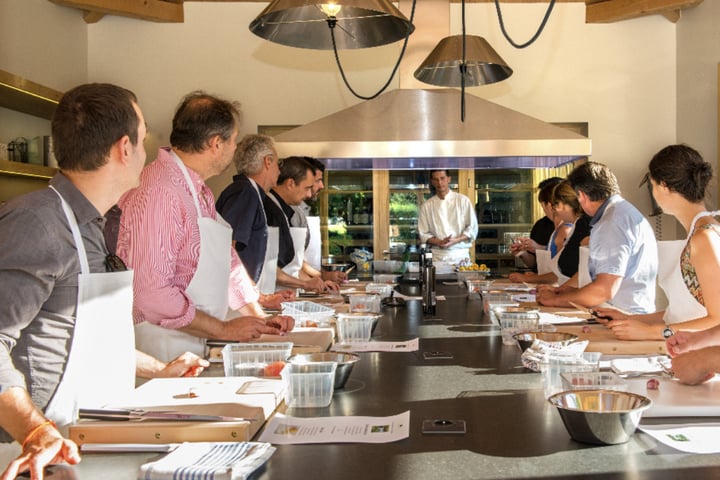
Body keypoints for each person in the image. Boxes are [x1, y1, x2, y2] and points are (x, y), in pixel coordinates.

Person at [0, 84, 208, 479]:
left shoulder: (94, 225)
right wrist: (35, 432)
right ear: (124, 148)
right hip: (37, 457)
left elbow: (82, 338)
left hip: (89, 442)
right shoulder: (39, 224)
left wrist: (158, 370)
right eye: (145, 140)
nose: (146, 154)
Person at [118, 92, 294, 363]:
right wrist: (224, 329)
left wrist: (257, 318)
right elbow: (152, 295)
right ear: (216, 143)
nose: (235, 149)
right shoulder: (160, 192)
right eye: (233, 140)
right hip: (160, 347)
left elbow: (228, 261)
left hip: (192, 339)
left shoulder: (198, 190)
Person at [594, 145, 720, 341]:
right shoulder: (700, 233)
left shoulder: (704, 238)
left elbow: (716, 321)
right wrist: (634, 320)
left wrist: (651, 332)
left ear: (664, 186)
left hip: (700, 361)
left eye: (651, 185)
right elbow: (682, 313)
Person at [536, 161, 657, 313]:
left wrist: (554, 300)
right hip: (625, 310)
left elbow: (604, 289)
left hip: (622, 313)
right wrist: (565, 291)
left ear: (581, 195)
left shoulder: (611, 222)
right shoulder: (622, 212)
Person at [216, 134, 282, 292]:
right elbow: (229, 246)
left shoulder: (252, 192)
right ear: (268, 162)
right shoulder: (245, 192)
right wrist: (249, 294)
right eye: (278, 164)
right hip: (235, 297)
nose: (279, 171)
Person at [264, 157, 339, 292]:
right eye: (307, 188)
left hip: (286, 294)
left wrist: (311, 282)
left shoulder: (284, 211)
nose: (309, 194)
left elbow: (293, 265)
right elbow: (267, 267)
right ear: (291, 183)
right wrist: (305, 284)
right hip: (272, 294)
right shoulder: (269, 210)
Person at [289, 157, 347, 284]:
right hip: (295, 285)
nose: (322, 185)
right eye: (318, 180)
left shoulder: (304, 209)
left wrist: (321, 277)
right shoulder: (293, 211)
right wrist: (320, 278)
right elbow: (294, 259)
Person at [418, 169, 478, 263]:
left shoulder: (463, 201)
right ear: (432, 182)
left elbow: (472, 228)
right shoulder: (427, 206)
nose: (440, 182)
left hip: (460, 256)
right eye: (436, 179)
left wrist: (455, 240)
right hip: (437, 257)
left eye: (442, 178)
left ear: (449, 179)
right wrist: (439, 242)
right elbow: (423, 233)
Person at [512, 177, 564, 271]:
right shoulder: (540, 226)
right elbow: (533, 264)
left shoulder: (574, 225)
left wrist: (539, 248)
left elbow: (566, 258)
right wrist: (523, 253)